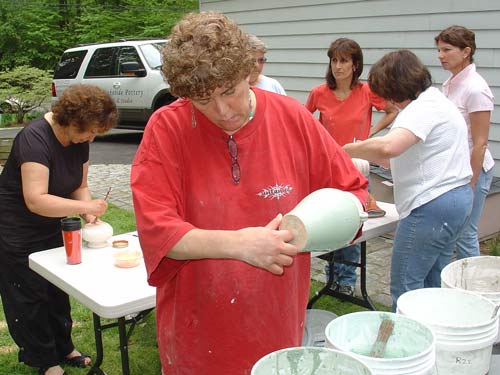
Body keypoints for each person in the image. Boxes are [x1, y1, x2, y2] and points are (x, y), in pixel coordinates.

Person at [130, 11, 368, 375]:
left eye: (229, 92)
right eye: (204, 101)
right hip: (197, 333)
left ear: (248, 71)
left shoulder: (292, 118)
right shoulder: (166, 129)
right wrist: (241, 245)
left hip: (277, 325)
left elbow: (352, 193)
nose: (222, 111)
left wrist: (317, 226)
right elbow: (158, 230)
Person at [0, 84, 117, 375]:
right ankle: (45, 361)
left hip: (53, 221)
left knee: (56, 289)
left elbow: (80, 185)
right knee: (29, 296)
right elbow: (35, 200)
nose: (92, 137)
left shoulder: (80, 140)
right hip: (17, 226)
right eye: (89, 131)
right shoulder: (35, 139)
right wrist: (84, 209)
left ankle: (64, 347)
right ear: (69, 121)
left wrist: (87, 208)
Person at [343, 50, 473, 311]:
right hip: (455, 201)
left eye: (389, 93)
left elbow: (389, 148)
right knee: (431, 281)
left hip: (432, 207)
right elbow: (393, 158)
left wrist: (345, 150)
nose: (389, 100)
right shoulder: (435, 101)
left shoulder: (422, 107)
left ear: (399, 85)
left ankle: (406, 346)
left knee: (405, 287)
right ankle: (436, 340)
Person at [305, 38, 398, 296]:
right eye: (334, 60)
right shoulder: (319, 92)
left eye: (344, 60)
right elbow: (304, 122)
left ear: (355, 64)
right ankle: (330, 277)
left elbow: (391, 110)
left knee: (353, 223)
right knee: (330, 222)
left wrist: (371, 135)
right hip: (328, 168)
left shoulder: (366, 91)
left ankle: (346, 280)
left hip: (357, 167)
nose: (338, 66)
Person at [435, 25, 495, 259]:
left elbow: (480, 143)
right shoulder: (450, 83)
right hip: (453, 169)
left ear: (466, 51)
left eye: (447, 49)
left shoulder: (476, 89)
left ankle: (472, 290)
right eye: (439, 50)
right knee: (451, 231)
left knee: (465, 233)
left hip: (473, 171)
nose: (440, 55)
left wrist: (469, 184)